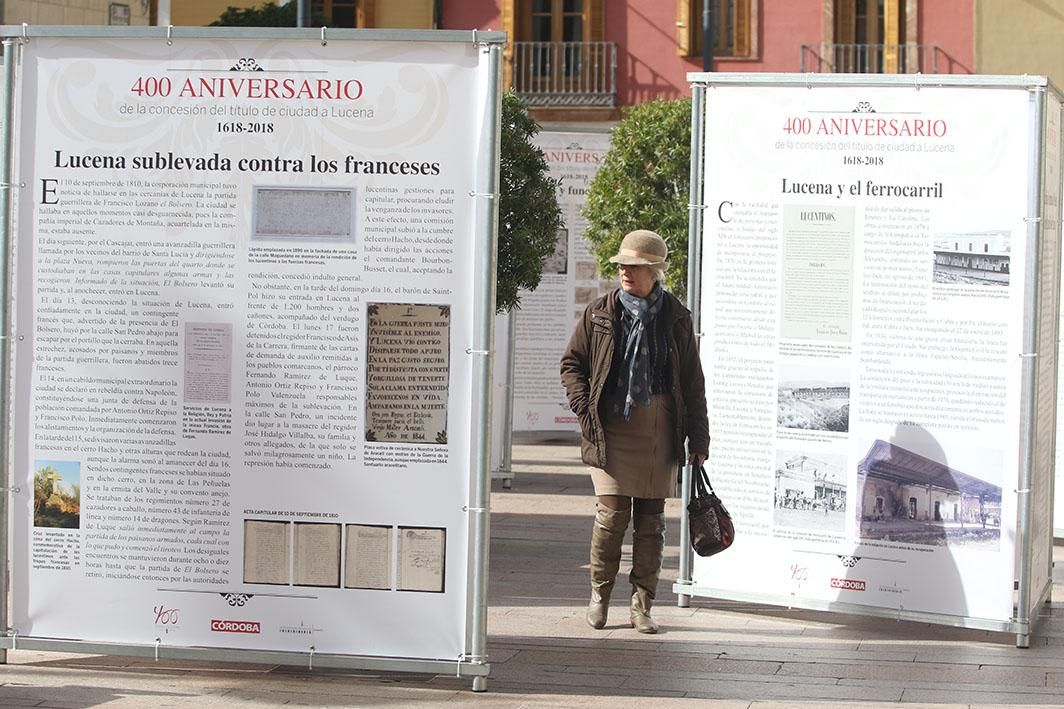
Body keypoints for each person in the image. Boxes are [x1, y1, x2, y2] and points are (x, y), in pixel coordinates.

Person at [559, 229, 709, 634]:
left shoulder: (676, 317)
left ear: (655, 271)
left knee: (651, 523)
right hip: (610, 427)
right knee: (610, 518)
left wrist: (699, 438)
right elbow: (572, 364)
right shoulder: (599, 313)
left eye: (636, 266)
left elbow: (693, 382)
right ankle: (599, 596)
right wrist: (583, 407)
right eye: (623, 265)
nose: (627, 271)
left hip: (660, 425)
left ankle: (642, 605)